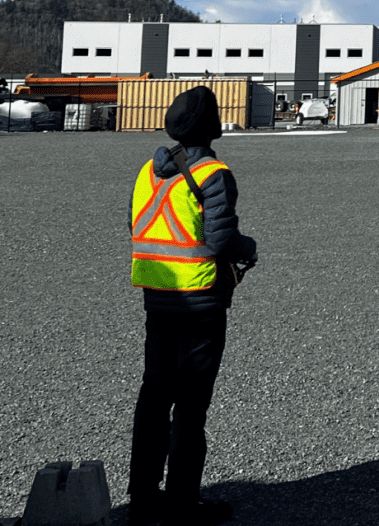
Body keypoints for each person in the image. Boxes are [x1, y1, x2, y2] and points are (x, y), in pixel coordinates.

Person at [127, 86, 257, 526]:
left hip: (157, 296)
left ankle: (143, 496)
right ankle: (183, 501)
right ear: (213, 125)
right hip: (200, 301)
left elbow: (137, 223)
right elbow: (221, 239)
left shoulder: (149, 170)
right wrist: (250, 247)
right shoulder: (213, 173)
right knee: (190, 404)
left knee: (153, 395)